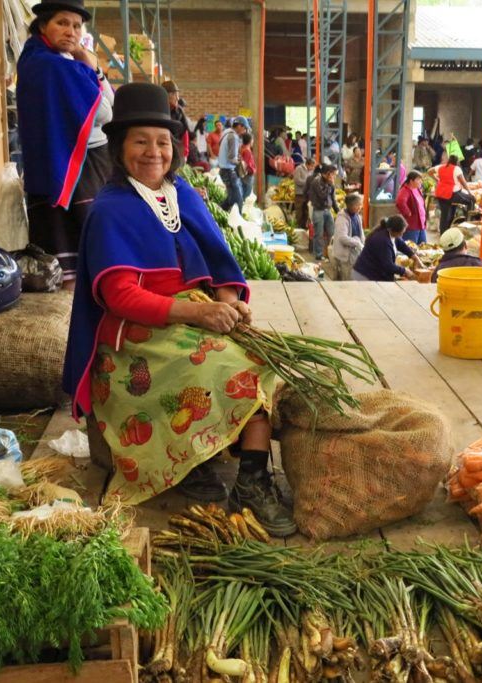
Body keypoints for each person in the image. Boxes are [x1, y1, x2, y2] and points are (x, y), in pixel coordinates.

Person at [61, 82, 294, 535]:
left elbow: (217, 261)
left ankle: (250, 479)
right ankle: (192, 460)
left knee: (262, 360)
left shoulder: (182, 194)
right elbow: (119, 297)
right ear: (120, 146)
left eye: (162, 141)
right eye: (140, 141)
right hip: (136, 333)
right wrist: (199, 314)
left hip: (192, 314)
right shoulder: (110, 209)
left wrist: (227, 299)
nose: (153, 152)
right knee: (226, 373)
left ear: (175, 147)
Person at [17, 0, 114, 288]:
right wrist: (94, 70)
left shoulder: (33, 59)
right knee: (83, 255)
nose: (71, 31)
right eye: (62, 23)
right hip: (78, 168)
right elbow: (106, 112)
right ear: (43, 25)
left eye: (76, 25)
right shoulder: (56, 67)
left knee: (62, 253)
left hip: (53, 168)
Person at [352, 215, 422, 282]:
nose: (402, 235)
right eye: (401, 233)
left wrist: (414, 257)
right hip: (365, 276)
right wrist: (405, 271)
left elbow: (402, 245)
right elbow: (388, 265)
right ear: (393, 230)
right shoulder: (382, 240)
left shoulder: (391, 233)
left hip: (373, 274)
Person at [431, 155, 475, 232]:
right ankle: (468, 223)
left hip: (440, 194)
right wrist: (469, 192)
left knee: (445, 215)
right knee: (471, 200)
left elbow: (429, 172)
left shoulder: (441, 167)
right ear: (457, 162)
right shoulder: (457, 169)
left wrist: (437, 180)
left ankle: (444, 234)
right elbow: (463, 182)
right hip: (452, 194)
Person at [307, 164, 339, 260]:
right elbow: (322, 196)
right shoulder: (317, 182)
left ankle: (329, 252)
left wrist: (338, 211)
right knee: (319, 233)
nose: (334, 176)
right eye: (333, 174)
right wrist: (330, 184)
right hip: (318, 210)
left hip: (327, 210)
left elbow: (333, 198)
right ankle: (319, 254)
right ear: (327, 174)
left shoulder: (330, 183)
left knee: (331, 232)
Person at [330, 193, 365, 280]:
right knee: (346, 281)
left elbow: (361, 233)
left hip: (355, 253)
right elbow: (342, 238)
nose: (360, 207)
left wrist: (362, 243)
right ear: (351, 205)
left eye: (361, 204)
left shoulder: (357, 216)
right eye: (358, 205)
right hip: (345, 256)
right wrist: (357, 243)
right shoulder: (342, 218)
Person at [217, 116, 248, 213]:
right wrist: (240, 162)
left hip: (223, 170)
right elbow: (231, 158)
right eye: (244, 128)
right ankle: (239, 222)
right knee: (238, 199)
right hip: (229, 171)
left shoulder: (226, 133)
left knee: (231, 198)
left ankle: (217, 212)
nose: (244, 131)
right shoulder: (233, 136)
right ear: (239, 126)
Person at [395, 171, 428, 244]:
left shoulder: (417, 189)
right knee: (410, 248)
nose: (420, 182)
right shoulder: (405, 190)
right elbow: (400, 202)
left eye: (420, 180)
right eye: (418, 180)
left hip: (420, 224)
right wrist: (408, 213)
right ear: (411, 181)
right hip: (412, 225)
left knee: (423, 247)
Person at [161, 80, 190, 157]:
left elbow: (186, 131)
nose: (177, 98)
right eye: (174, 94)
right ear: (165, 95)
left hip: (177, 149)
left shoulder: (179, 111)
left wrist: (185, 151)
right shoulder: (158, 111)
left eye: (178, 94)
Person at [292, 157, 316, 228]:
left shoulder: (311, 171)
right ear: (308, 164)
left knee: (306, 211)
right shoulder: (299, 168)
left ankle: (304, 227)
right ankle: (298, 227)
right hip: (299, 194)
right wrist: (307, 183)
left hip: (307, 194)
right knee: (299, 211)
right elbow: (297, 180)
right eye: (312, 166)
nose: (313, 168)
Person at [239, 132, 257, 201]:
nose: (253, 141)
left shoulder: (242, 148)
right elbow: (245, 165)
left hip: (244, 175)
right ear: (250, 140)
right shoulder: (247, 151)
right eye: (252, 140)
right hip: (247, 176)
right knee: (246, 194)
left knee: (244, 192)